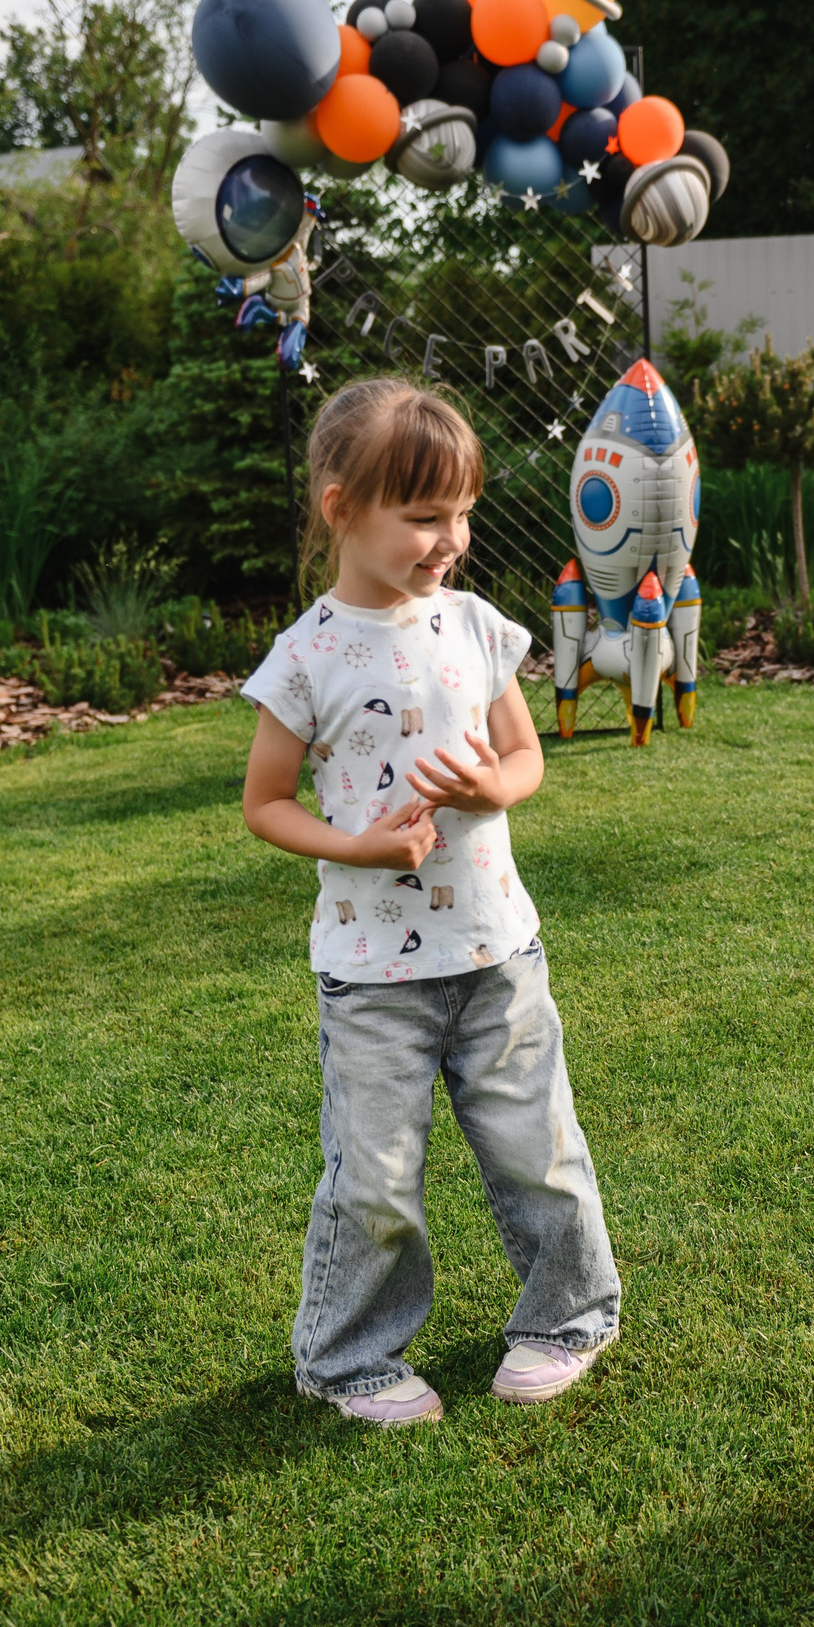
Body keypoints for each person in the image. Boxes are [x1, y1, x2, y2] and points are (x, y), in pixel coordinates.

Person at [240, 378, 620, 1428]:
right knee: (375, 1177)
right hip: (373, 976)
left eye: (460, 511)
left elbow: (523, 753)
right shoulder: (306, 658)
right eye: (421, 515)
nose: (449, 536)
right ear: (340, 510)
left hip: (496, 947)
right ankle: (351, 1359)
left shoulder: (476, 627)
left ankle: (569, 1315)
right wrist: (359, 846)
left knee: (536, 1146)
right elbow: (265, 803)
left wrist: (494, 786)